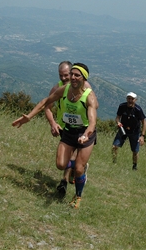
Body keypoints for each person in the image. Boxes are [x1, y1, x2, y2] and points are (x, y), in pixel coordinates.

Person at [12, 63, 98, 209]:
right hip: (69, 131)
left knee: (78, 169)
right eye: (72, 74)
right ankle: (80, 167)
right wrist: (29, 117)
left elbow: (92, 123)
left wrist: (86, 135)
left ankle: (78, 196)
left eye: (77, 75)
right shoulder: (64, 89)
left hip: (84, 133)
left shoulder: (89, 96)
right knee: (60, 165)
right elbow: (45, 102)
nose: (73, 77)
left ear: (84, 78)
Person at [44, 61, 92, 196]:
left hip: (82, 129)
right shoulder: (57, 89)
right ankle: (78, 169)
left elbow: (92, 107)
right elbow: (47, 107)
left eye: (66, 75)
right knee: (63, 161)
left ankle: (65, 181)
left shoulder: (85, 87)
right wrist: (53, 123)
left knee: (75, 155)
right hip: (64, 127)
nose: (64, 78)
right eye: (61, 76)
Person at [112, 92, 146, 170]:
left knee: (135, 151)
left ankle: (134, 166)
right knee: (115, 146)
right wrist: (118, 122)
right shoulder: (122, 106)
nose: (130, 100)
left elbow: (144, 122)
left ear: (135, 100)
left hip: (135, 132)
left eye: (132, 99)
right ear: (126, 99)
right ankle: (114, 162)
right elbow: (117, 117)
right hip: (123, 130)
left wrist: (142, 136)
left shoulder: (138, 109)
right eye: (129, 98)